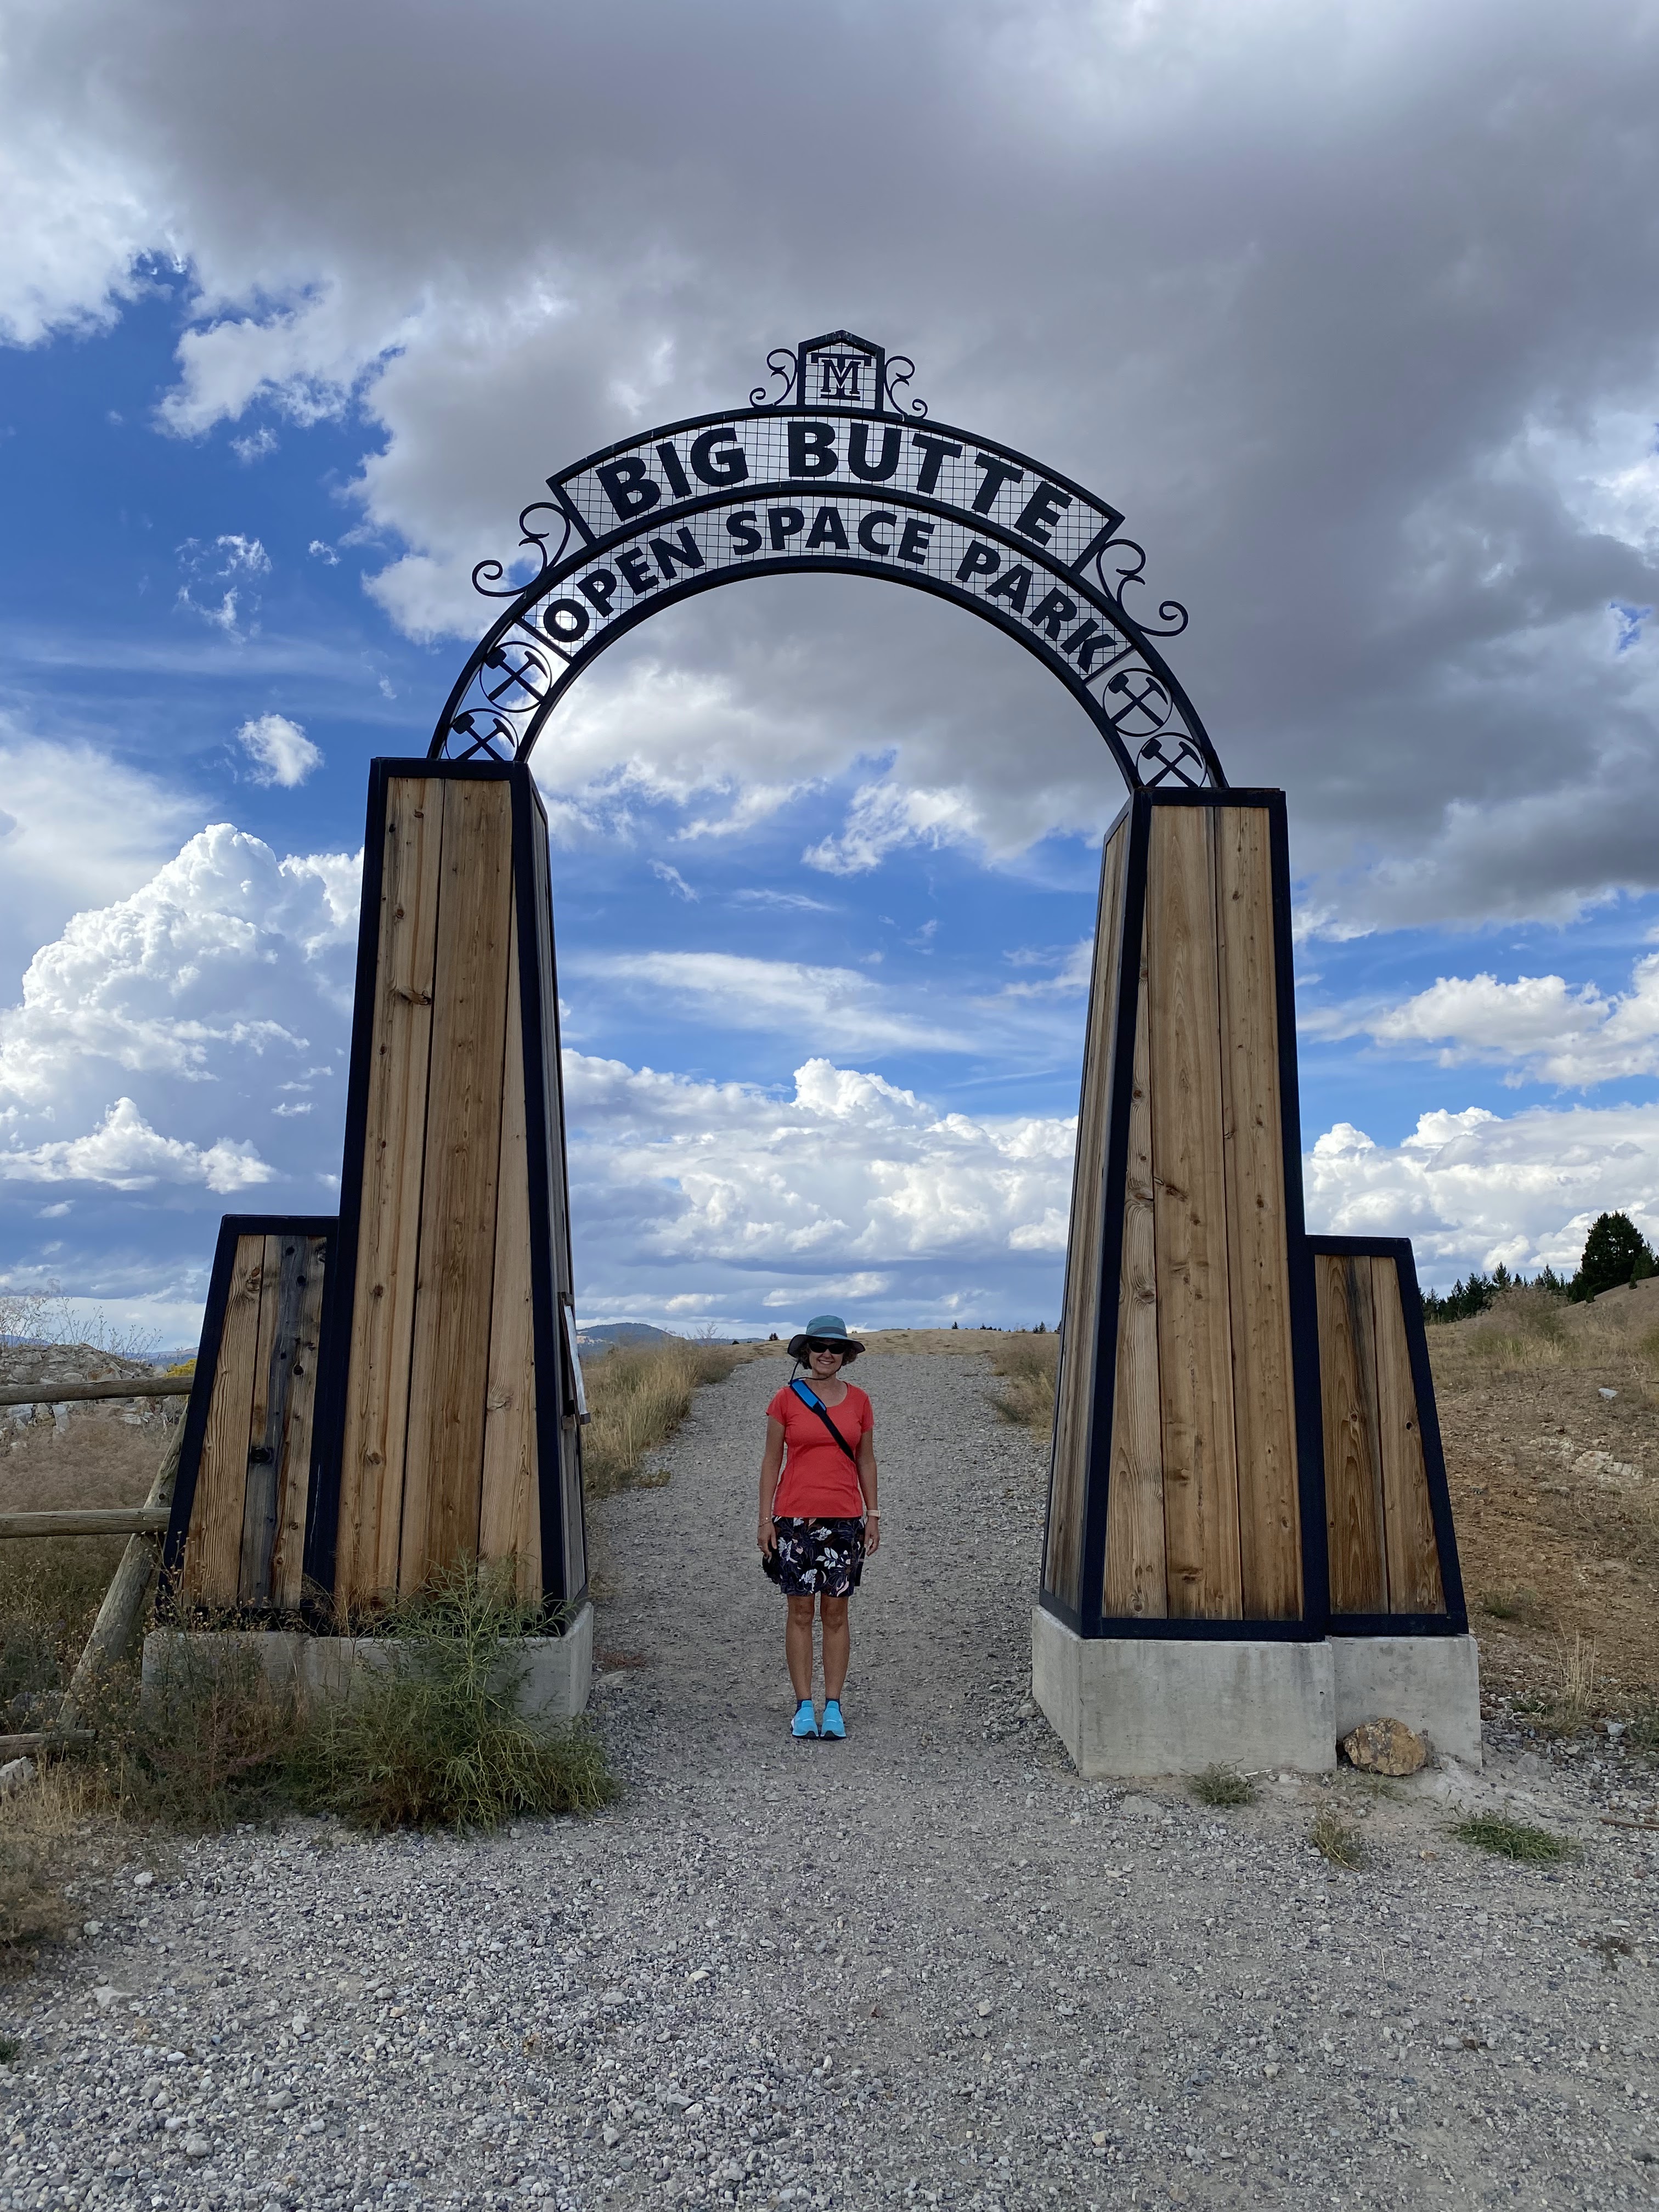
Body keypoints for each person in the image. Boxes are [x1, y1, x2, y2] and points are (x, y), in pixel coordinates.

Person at [757, 1313, 879, 1740]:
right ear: (806, 1352)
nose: (826, 1354)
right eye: (819, 1347)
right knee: (800, 1611)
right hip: (794, 1519)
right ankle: (803, 1706)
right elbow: (772, 1461)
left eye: (836, 1348)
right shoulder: (786, 1399)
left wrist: (874, 1514)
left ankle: (834, 1705)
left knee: (836, 1612)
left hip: (844, 1519)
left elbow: (865, 1459)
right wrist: (764, 1519)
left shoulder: (860, 1401)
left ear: (846, 1355)